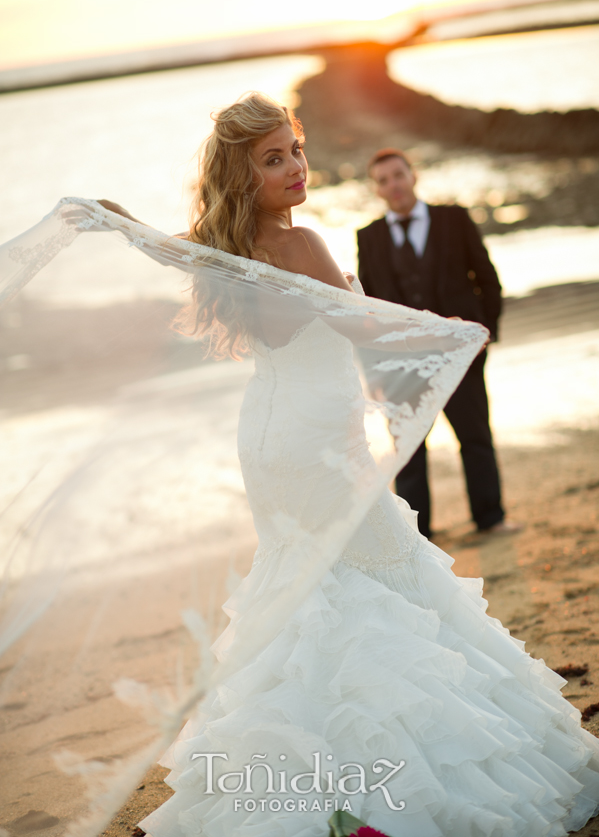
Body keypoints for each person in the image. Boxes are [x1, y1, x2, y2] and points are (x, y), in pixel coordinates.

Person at [2, 94, 598, 837]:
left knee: (310, 587)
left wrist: (107, 214)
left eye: (295, 150)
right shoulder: (303, 244)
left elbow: (153, 244)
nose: (294, 167)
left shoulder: (219, 244)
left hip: (269, 439)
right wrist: (445, 330)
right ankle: (379, 775)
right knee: (382, 583)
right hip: (317, 441)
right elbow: (361, 325)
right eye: (273, 158)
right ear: (243, 174)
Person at [357, 149, 520, 540]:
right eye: (383, 180)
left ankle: (490, 518)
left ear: (413, 175)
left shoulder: (454, 218)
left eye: (398, 175)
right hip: (402, 364)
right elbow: (368, 310)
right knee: (409, 450)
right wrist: (375, 369)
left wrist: (484, 334)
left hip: (460, 355)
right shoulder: (369, 237)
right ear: (376, 190)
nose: (393, 185)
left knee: (476, 437)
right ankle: (419, 535)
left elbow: (486, 277)